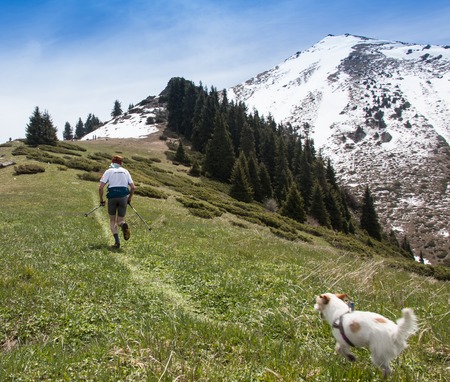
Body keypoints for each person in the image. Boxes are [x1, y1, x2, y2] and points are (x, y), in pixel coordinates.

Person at [99, 155, 136, 248]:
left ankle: (117, 242)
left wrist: (102, 200)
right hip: (123, 197)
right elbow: (133, 187)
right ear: (121, 163)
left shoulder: (109, 171)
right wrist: (129, 198)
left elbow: (100, 188)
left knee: (112, 221)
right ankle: (123, 225)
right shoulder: (126, 171)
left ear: (112, 162)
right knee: (120, 221)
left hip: (112, 197)